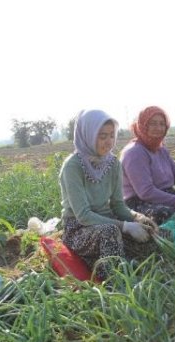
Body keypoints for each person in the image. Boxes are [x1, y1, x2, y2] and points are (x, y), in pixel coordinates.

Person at [59, 109, 157, 280]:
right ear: (88, 136)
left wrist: (137, 218)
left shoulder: (113, 164)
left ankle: (101, 260)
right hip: (78, 229)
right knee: (110, 232)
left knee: (150, 231)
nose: (109, 142)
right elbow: (83, 215)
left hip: (108, 221)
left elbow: (118, 205)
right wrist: (125, 226)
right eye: (102, 136)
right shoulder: (72, 167)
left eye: (112, 136)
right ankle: (112, 280)